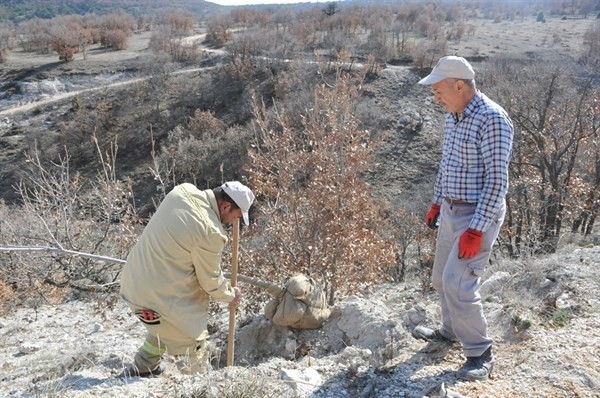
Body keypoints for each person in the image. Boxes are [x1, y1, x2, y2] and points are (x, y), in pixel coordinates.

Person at [414, 56, 514, 381]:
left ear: (460, 85)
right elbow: (447, 164)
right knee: (441, 278)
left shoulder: (493, 119)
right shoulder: (453, 117)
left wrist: (477, 229)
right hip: (451, 208)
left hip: (477, 215)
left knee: (458, 283)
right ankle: (449, 331)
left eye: (439, 90)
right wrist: (436, 203)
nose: (436, 97)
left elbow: (497, 182)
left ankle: (480, 352)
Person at [119, 181, 255, 377]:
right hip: (157, 295)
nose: (234, 221)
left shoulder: (182, 191)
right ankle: (199, 383)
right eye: (236, 216)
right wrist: (230, 294)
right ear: (225, 207)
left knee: (165, 325)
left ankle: (143, 367)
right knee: (193, 339)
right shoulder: (211, 232)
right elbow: (210, 281)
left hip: (133, 285)